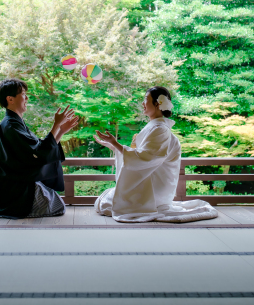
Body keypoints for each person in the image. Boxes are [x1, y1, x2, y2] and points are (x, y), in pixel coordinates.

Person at [0, 78, 78, 219]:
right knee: (56, 206)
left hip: (13, 181)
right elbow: (39, 153)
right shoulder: (11, 125)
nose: (27, 98)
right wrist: (56, 125)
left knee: (56, 204)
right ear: (10, 99)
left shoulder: (15, 123)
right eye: (23, 94)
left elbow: (40, 150)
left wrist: (60, 131)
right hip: (7, 187)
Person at [93, 86, 219, 223]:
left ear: (158, 104)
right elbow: (141, 155)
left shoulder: (160, 129)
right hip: (151, 183)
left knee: (106, 203)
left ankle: (148, 204)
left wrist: (117, 145)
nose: (143, 103)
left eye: (146, 99)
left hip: (155, 189)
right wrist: (113, 146)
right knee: (106, 200)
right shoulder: (156, 127)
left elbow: (144, 157)